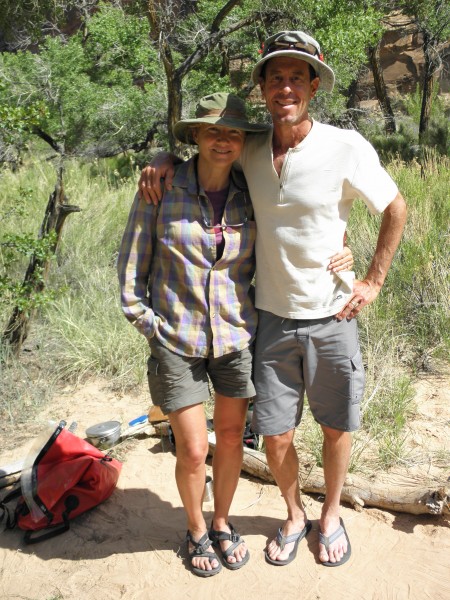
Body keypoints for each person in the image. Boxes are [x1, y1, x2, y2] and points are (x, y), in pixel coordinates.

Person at [138, 29, 402, 569]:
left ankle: (329, 513)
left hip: (332, 314)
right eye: (275, 76)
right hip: (269, 319)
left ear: (313, 86)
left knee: (335, 428)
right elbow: (206, 154)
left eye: (297, 77)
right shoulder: (250, 146)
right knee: (276, 436)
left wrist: (371, 280)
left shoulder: (345, 146)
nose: (286, 87)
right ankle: (293, 512)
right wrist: (162, 156)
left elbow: (395, 209)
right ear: (262, 87)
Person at [118, 91, 353, 577]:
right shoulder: (163, 188)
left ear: (242, 140)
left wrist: (344, 251)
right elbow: (130, 274)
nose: (223, 140)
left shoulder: (252, 191)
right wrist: (151, 327)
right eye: (211, 131)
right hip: (176, 339)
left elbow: (303, 226)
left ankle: (221, 521)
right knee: (193, 447)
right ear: (195, 137)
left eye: (232, 132)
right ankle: (196, 529)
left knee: (229, 438)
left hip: (236, 336)